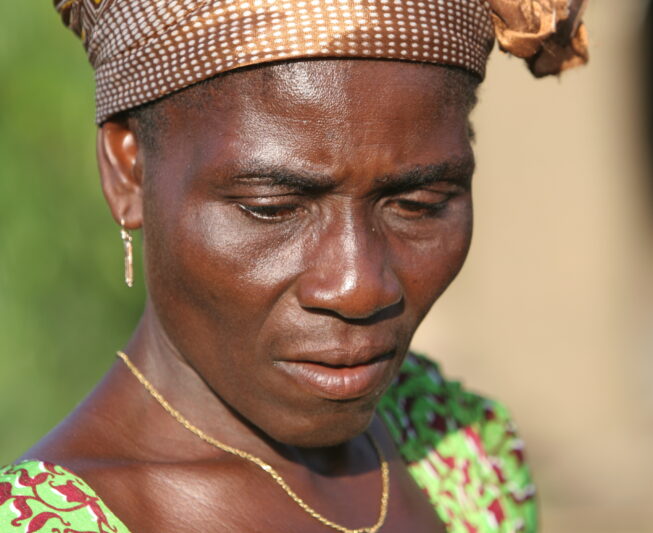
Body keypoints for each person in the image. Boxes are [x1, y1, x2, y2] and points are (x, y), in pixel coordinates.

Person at [0, 1, 588, 531]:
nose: (359, 287)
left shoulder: (460, 449)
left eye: (419, 205)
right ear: (129, 171)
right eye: (272, 208)